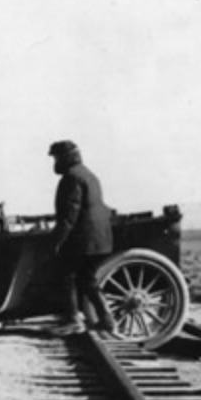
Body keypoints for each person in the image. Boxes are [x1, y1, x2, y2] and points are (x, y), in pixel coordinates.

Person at [48, 140, 118, 335]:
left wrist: (56, 242)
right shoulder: (88, 175)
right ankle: (107, 319)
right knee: (87, 280)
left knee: (66, 274)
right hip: (99, 239)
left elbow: (69, 215)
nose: (54, 162)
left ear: (65, 157)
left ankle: (73, 321)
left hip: (84, 241)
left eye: (55, 157)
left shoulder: (71, 178)